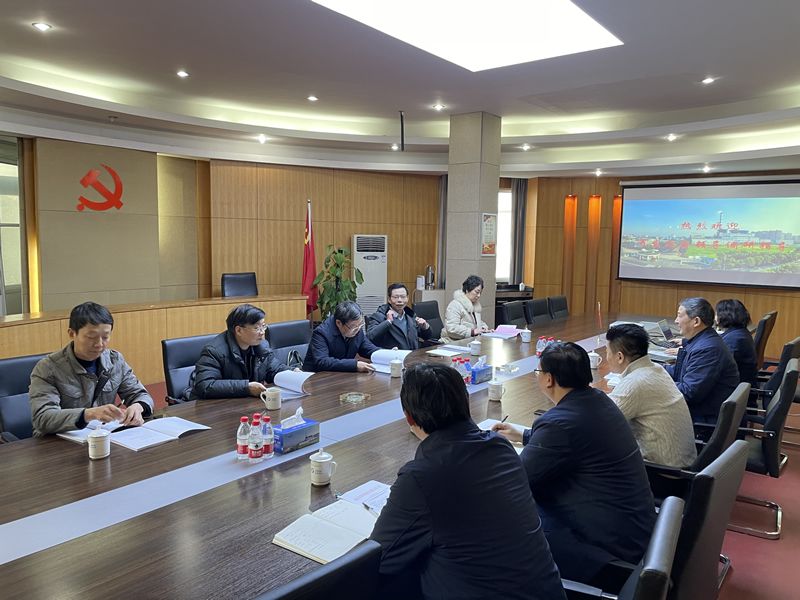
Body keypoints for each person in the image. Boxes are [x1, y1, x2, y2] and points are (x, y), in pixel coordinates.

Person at [371, 363, 565, 600]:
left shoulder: (422, 477)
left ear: (409, 417)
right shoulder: (500, 446)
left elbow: (379, 559)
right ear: (466, 403)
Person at [493, 342, 655, 585]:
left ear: (549, 379)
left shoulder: (559, 424)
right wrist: (525, 435)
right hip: (634, 532)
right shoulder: (598, 400)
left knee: (502, 518)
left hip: (603, 550)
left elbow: (515, 481)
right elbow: (576, 441)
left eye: (538, 372)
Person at [29, 302, 154, 437]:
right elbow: (42, 418)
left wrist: (138, 406)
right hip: (59, 442)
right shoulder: (48, 368)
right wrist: (88, 414)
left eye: (105, 337)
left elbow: (140, 394)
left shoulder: (115, 360)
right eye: (91, 337)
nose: (99, 344)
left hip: (102, 437)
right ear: (72, 334)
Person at [605, 324, 697, 467]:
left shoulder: (635, 383)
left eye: (607, 351)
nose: (606, 357)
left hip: (663, 472)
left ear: (620, 357)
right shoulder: (655, 368)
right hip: (683, 463)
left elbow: (601, 423)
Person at [189, 304, 289, 400]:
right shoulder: (214, 351)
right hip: (210, 406)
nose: (262, 332)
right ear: (239, 330)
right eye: (257, 328)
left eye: (263, 326)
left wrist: (293, 372)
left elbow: (275, 369)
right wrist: (246, 388)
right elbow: (205, 386)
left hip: (243, 403)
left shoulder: (261, 346)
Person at [665, 297, 739, 423]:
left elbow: (688, 393)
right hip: (701, 412)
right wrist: (653, 368)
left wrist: (655, 382)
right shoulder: (702, 340)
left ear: (696, 321)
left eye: (679, 316)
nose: (676, 321)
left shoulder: (707, 349)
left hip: (703, 421)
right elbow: (681, 371)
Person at [302, 300, 380, 372]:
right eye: (353, 327)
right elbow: (322, 362)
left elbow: (368, 349)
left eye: (360, 324)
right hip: (315, 376)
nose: (358, 329)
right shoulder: (321, 333)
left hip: (341, 375)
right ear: (339, 323)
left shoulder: (357, 329)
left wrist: (385, 354)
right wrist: (354, 365)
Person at [366, 283, 433, 350]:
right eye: (396, 297)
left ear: (407, 298)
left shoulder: (410, 315)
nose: (400, 300)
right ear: (389, 299)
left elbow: (427, 337)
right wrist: (388, 322)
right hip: (392, 355)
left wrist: (425, 327)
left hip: (412, 355)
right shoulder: (379, 316)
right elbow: (370, 337)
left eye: (403, 297)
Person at [716, 298, 758, 387]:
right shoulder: (741, 332)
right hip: (742, 385)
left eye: (717, 313)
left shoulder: (733, 340)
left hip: (735, 389)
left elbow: (721, 371)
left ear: (724, 316)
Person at [442, 274, 490, 342]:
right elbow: (451, 328)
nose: (479, 295)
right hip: (452, 342)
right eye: (477, 292)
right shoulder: (455, 305)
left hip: (468, 341)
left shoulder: (474, 305)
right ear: (467, 290)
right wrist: (472, 332)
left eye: (480, 293)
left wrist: (484, 329)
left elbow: (475, 323)